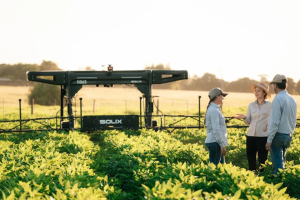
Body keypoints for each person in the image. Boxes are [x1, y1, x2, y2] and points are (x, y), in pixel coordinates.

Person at [235, 83, 272, 171]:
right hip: (250, 136)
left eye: (259, 91)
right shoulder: (251, 105)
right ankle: (252, 178)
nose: (256, 92)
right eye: (255, 91)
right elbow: (249, 122)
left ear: (264, 93)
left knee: (262, 160)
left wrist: (269, 125)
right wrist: (244, 117)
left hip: (263, 136)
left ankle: (262, 178)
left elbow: (275, 118)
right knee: (251, 159)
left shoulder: (270, 105)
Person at [265, 74, 297, 174]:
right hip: (288, 135)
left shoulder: (277, 99)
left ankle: (278, 185)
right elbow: (293, 120)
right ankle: (285, 183)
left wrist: (269, 140)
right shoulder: (292, 99)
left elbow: (274, 121)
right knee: (283, 161)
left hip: (277, 136)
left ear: (275, 85)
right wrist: (290, 134)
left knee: (278, 165)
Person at [205, 88, 229, 166]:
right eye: (222, 96)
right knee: (214, 168)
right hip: (215, 142)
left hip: (215, 141)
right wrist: (222, 145)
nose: (223, 98)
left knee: (220, 167)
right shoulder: (214, 110)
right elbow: (216, 129)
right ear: (217, 96)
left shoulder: (214, 109)